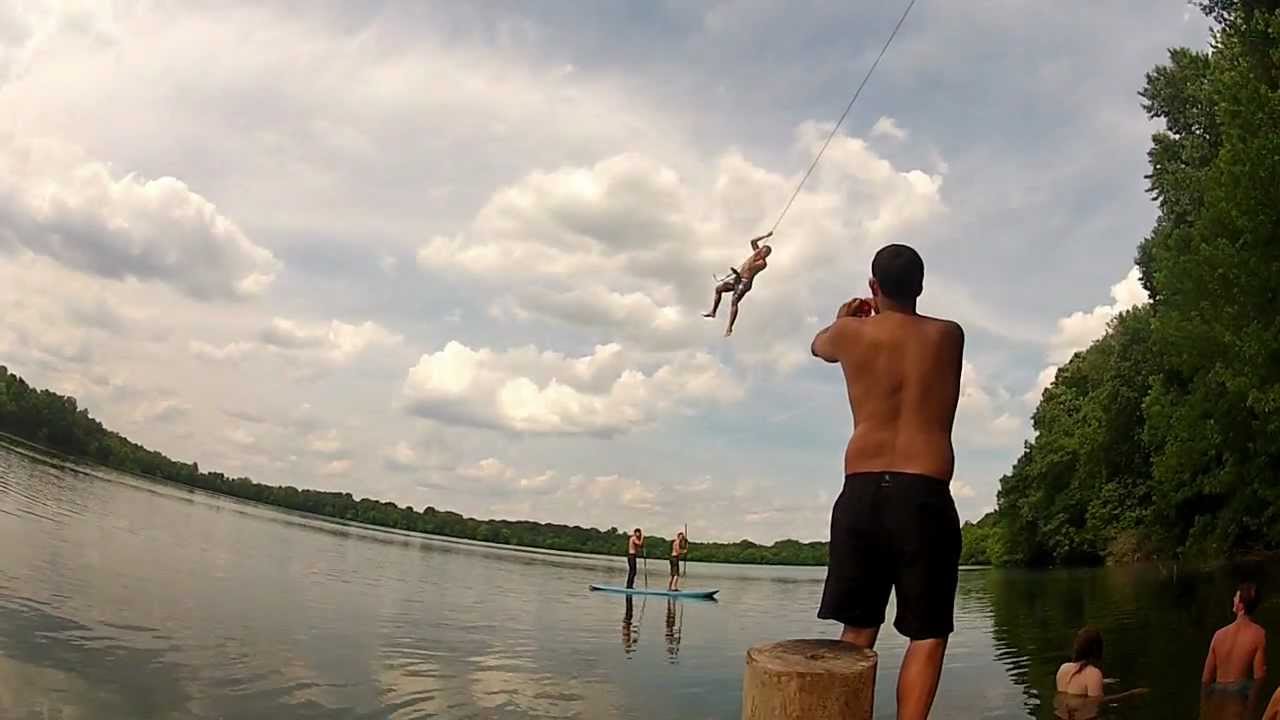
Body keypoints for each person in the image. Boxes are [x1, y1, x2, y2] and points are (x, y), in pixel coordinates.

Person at [810, 243, 964, 720]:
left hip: (861, 493)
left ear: (873, 287)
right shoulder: (948, 335)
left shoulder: (847, 334)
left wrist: (845, 319)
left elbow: (818, 347)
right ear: (921, 286)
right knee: (927, 633)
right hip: (924, 494)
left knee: (858, 629)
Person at [1053, 626, 1148, 719]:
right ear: (1097, 650)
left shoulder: (1063, 668)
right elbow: (1097, 703)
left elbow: (1073, 692)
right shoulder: (1093, 674)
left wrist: (1100, 682)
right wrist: (1131, 694)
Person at [703, 231, 773, 337]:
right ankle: (713, 311)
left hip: (744, 283)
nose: (762, 253)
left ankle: (729, 327)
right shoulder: (757, 253)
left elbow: (749, 268)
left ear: (766, 255)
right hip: (737, 278)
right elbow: (753, 241)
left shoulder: (762, 263)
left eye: (764, 253)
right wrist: (766, 236)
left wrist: (755, 255)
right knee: (718, 289)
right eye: (762, 251)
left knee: (734, 301)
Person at [1202, 582, 1267, 691]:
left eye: (1235, 597)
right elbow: (1259, 677)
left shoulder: (1218, 635)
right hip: (1239, 693)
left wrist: (1204, 701)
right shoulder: (1259, 634)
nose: (1233, 599)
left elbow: (1206, 679)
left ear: (1240, 606)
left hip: (1218, 693)